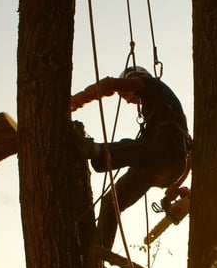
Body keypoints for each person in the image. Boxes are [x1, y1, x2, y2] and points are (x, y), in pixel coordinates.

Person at [70, 66, 191, 250]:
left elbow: (110, 84)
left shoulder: (152, 85)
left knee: (137, 146)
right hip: (159, 164)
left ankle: (94, 150)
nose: (127, 101)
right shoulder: (157, 110)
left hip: (167, 152)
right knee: (112, 202)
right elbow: (190, 158)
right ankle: (99, 252)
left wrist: (77, 100)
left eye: (125, 95)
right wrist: (174, 187)